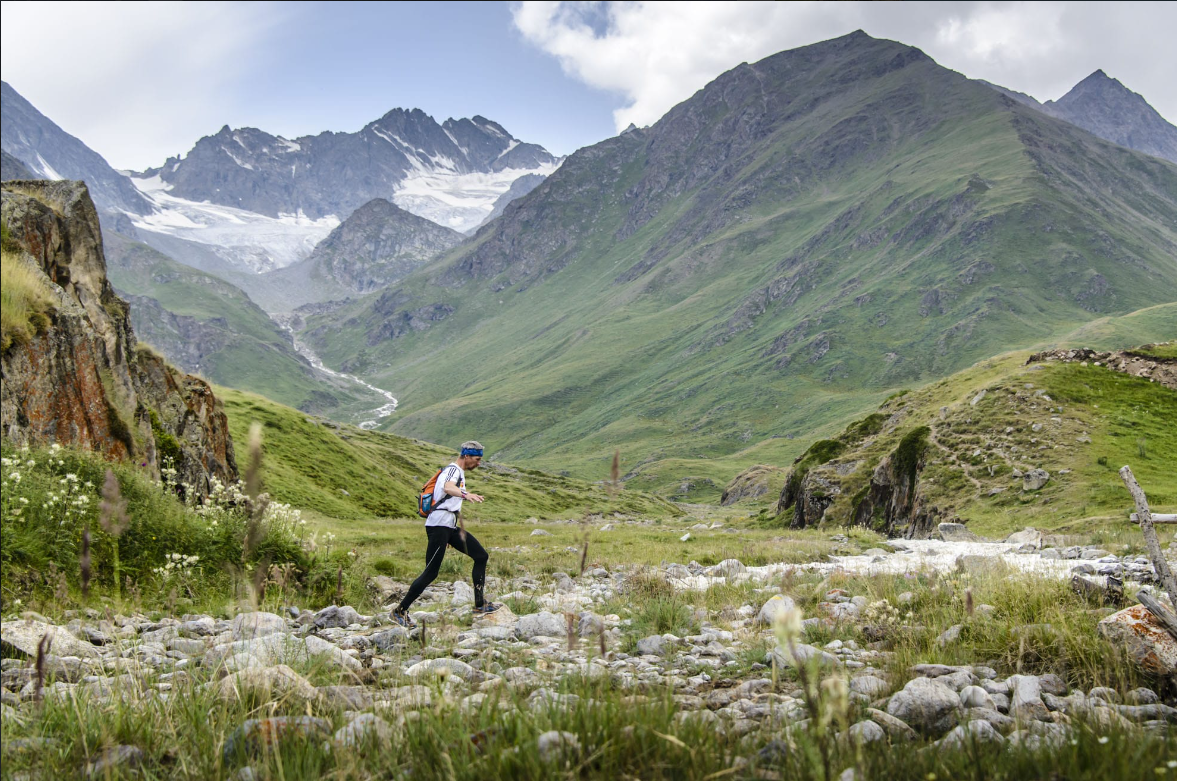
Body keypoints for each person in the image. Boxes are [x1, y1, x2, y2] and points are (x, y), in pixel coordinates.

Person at [392, 441, 501, 627]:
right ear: (466, 456)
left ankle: (479, 604)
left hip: (448, 527)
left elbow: (449, 500)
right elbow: (448, 488)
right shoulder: (453, 470)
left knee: (481, 556)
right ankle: (399, 611)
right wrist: (467, 495)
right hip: (439, 526)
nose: (479, 463)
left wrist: (450, 533)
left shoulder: (460, 472)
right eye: (477, 459)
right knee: (431, 572)